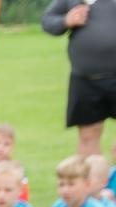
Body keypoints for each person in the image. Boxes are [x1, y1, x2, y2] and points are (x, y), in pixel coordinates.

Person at [42, 0, 116, 160]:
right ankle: (90, 183)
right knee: (88, 136)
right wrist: (66, 21)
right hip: (85, 80)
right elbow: (47, 21)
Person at [0, 123, 32, 200]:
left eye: (6, 144)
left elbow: (23, 198)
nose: (1, 148)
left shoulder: (17, 170)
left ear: (13, 147)